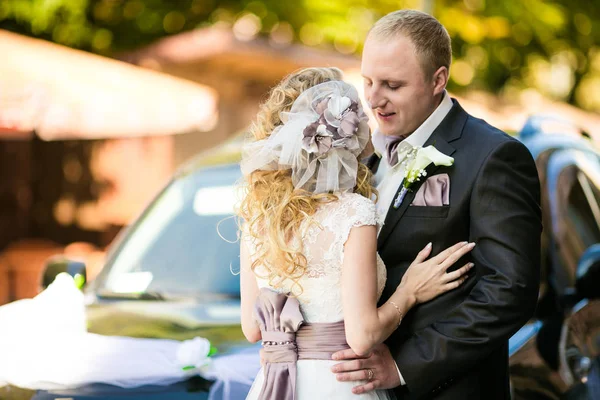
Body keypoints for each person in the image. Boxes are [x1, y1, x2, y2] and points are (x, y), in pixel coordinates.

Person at [330, 10, 542, 400]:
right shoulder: (363, 159)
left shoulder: (494, 157)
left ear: (438, 79)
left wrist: (403, 366)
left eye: (392, 85)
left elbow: (510, 291)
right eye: (368, 82)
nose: (374, 99)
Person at [237, 67, 474, 400]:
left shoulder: (258, 219)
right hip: (338, 382)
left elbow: (252, 328)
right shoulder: (354, 213)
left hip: (275, 383)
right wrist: (408, 292)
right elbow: (362, 336)